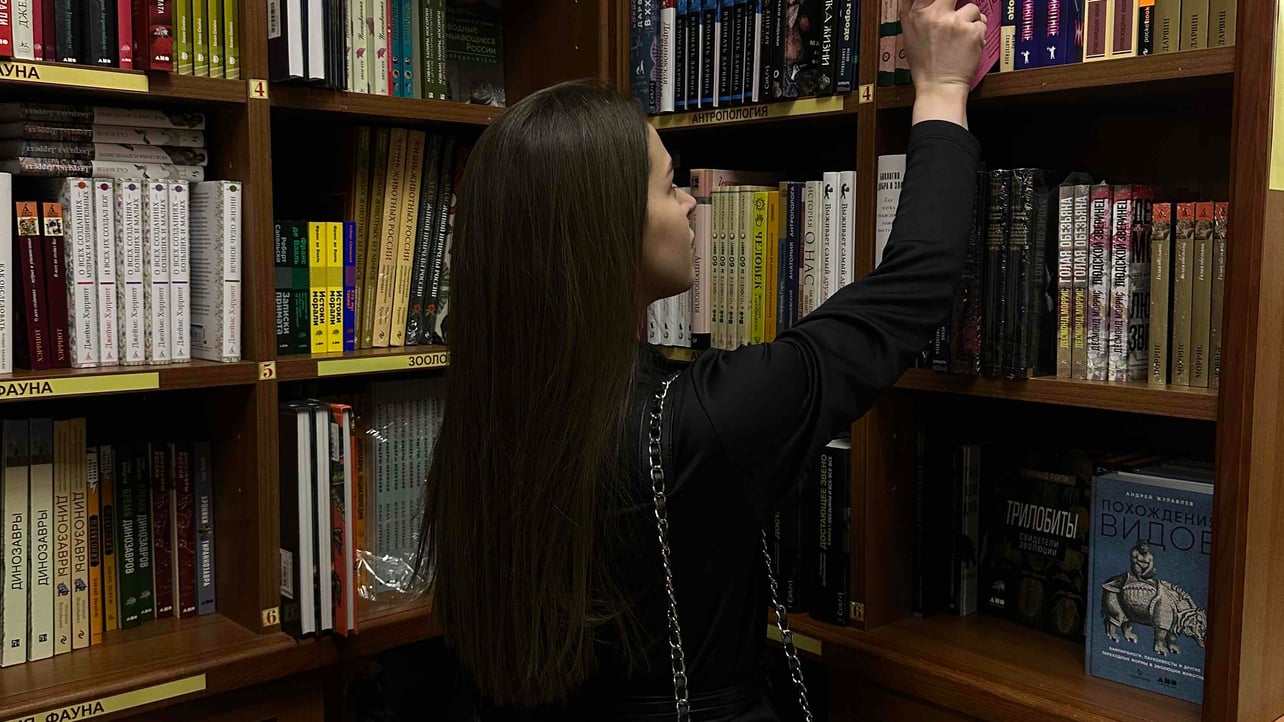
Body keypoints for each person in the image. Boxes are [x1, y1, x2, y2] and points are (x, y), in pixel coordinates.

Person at [416, 0, 987, 717]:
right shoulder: (701, 420)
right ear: (608, 232)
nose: (691, 203)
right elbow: (910, 291)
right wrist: (941, 89)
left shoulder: (487, 413)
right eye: (668, 185)